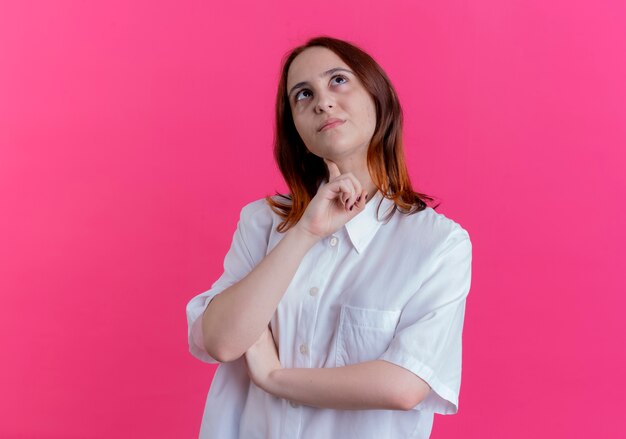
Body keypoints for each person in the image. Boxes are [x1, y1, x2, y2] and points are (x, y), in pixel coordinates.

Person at [186, 35, 472, 439]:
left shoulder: (437, 245)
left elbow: (406, 384)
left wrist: (272, 377)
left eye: (338, 80)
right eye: (303, 94)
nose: (322, 101)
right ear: (296, 129)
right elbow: (221, 341)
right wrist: (305, 232)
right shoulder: (262, 223)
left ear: (378, 96)